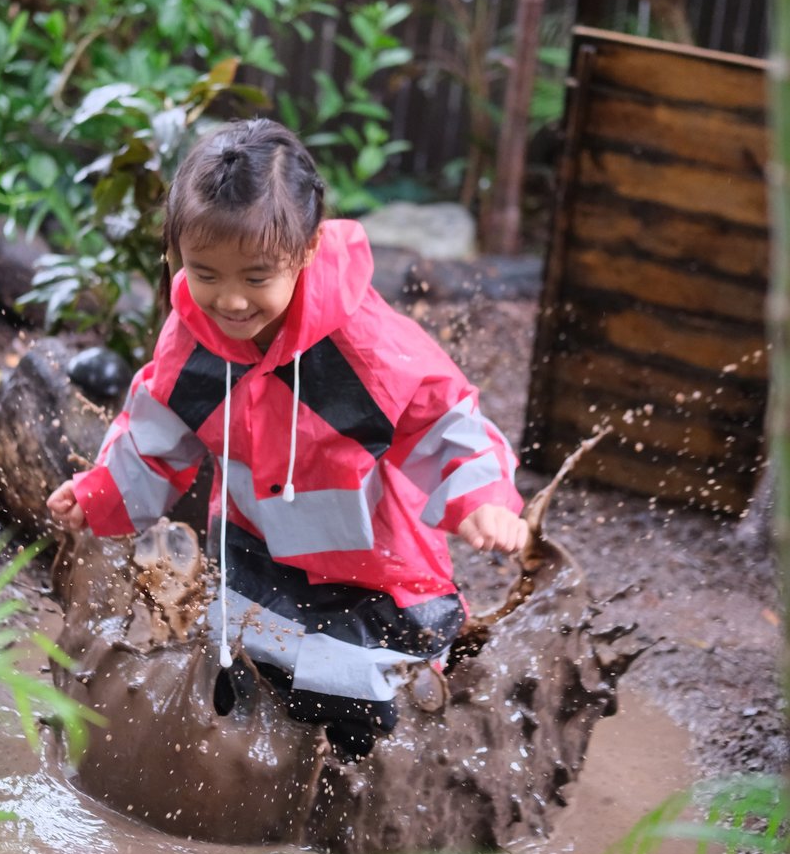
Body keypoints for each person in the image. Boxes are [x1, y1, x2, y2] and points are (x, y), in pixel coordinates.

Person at [48, 118, 528, 758]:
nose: (230, 301)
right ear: (177, 256)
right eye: (205, 273)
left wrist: (483, 497)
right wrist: (101, 494)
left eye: (255, 277)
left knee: (370, 715)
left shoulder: (361, 345)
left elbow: (445, 418)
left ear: (304, 252)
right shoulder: (193, 341)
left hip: (375, 566)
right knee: (239, 685)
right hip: (257, 543)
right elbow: (154, 433)